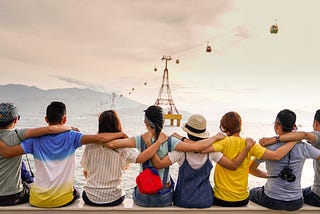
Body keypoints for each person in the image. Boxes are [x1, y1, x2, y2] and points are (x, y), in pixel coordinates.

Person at [0, 101, 128, 208]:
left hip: (37, 200)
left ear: (46, 119)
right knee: (76, 192)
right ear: (65, 119)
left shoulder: (34, 140)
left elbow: (9, 152)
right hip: (63, 200)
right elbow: (98, 139)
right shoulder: (72, 137)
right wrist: (121, 134)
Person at [103, 105, 226, 207]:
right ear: (162, 122)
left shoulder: (140, 139)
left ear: (146, 123)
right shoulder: (170, 141)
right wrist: (215, 138)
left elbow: (111, 144)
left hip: (143, 197)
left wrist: (123, 134)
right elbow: (196, 147)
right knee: (169, 182)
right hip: (164, 198)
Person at [151, 114, 255, 208]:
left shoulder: (181, 151)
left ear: (187, 133)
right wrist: (247, 148)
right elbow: (233, 165)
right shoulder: (212, 152)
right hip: (205, 200)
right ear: (203, 133)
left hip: (182, 200)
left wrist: (151, 144)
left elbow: (159, 165)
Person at [200, 111, 298, 207]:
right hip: (242, 200)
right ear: (240, 126)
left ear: (224, 128)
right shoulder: (250, 144)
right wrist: (294, 140)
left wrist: (214, 138)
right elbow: (276, 155)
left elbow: (202, 149)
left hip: (221, 199)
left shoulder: (223, 142)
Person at [81, 110, 167, 206]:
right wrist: (158, 142)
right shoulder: (123, 146)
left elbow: (86, 170)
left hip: (90, 197)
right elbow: (140, 158)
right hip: (114, 197)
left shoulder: (90, 145)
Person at [0, 102, 73, 206]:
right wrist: (69, 128)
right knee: (31, 187)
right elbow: (50, 129)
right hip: (12, 197)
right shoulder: (18, 135)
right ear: (15, 120)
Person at [249, 109, 320, 211]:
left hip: (272, 200)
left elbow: (251, 169)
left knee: (252, 192)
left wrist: (269, 176)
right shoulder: (304, 147)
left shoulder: (267, 147)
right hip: (296, 202)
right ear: (294, 127)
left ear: (276, 126)